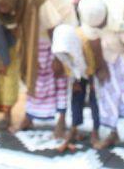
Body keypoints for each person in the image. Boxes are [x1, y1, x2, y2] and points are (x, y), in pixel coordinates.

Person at [0, 0, 77, 137]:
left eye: (3, 6)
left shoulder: (36, 1)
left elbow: (53, 28)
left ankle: (61, 121)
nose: (2, 10)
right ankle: (29, 117)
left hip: (60, 33)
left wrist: (58, 58)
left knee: (58, 79)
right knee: (34, 77)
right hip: (40, 36)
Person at [77, 0, 124, 153]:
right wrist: (100, 67)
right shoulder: (88, 9)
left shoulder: (121, 9)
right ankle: (113, 133)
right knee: (107, 94)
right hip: (107, 53)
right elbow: (94, 40)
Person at [51, 23, 99, 152]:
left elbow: (91, 64)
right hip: (77, 72)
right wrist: (76, 81)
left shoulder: (84, 42)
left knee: (95, 99)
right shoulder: (62, 48)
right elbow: (69, 64)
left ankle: (96, 130)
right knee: (76, 97)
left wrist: (92, 84)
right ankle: (74, 127)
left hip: (92, 70)